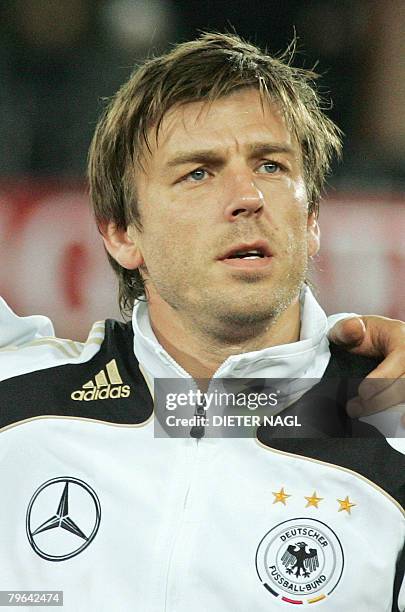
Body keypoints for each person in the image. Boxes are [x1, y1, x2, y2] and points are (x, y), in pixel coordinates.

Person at [0, 32, 404, 611]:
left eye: (270, 164)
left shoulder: (390, 432)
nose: (247, 196)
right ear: (121, 232)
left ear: (311, 217)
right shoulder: (16, 402)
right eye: (198, 172)